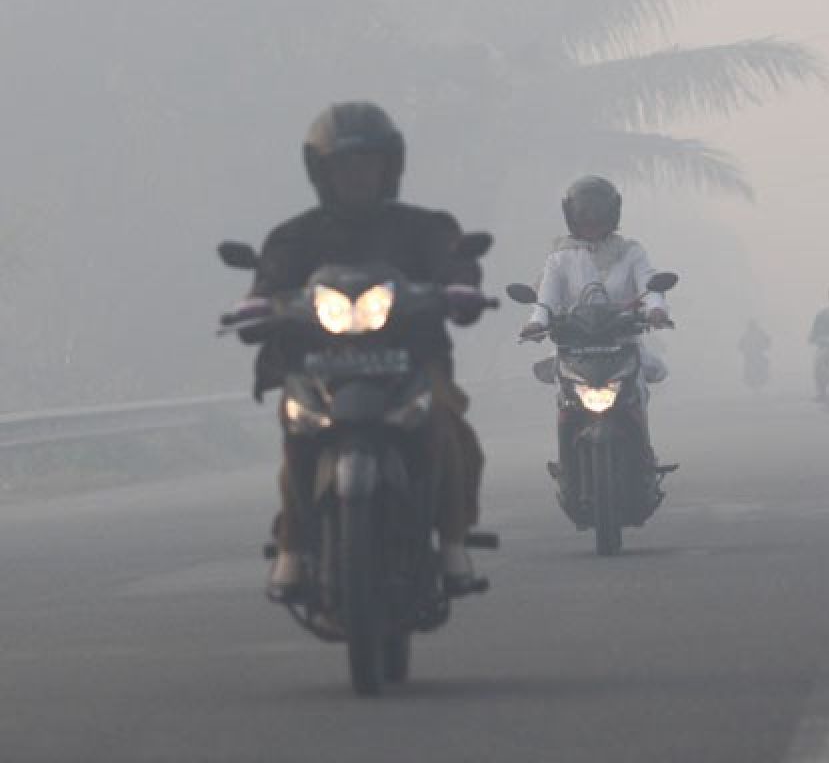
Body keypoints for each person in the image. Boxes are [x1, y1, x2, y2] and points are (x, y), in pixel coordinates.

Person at [246, 102, 487, 600]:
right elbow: (267, 284)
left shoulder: (425, 228)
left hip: (411, 363)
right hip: (318, 369)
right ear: (322, 173)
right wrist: (255, 306)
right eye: (343, 167)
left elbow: (456, 266)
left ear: (389, 168)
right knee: (298, 433)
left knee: (448, 428)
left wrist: (462, 288)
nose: (356, 176)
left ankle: (453, 544)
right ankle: (292, 546)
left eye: (366, 165)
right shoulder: (295, 237)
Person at [519, 175, 671, 445]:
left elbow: (651, 285)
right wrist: (536, 323)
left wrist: (656, 310)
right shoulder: (560, 257)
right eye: (584, 213)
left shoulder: (631, 252)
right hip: (575, 346)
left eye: (598, 212)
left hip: (621, 342)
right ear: (571, 215)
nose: (591, 220)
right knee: (564, 399)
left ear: (612, 213)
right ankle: (566, 463)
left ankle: (643, 455)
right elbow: (546, 299)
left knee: (639, 389)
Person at [738, 319, 771, 391]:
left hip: (756, 355)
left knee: (761, 368)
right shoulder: (748, 335)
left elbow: (767, 341)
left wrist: (763, 347)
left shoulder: (756, 333)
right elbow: (740, 345)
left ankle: (758, 385)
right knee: (751, 370)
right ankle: (755, 385)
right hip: (752, 356)